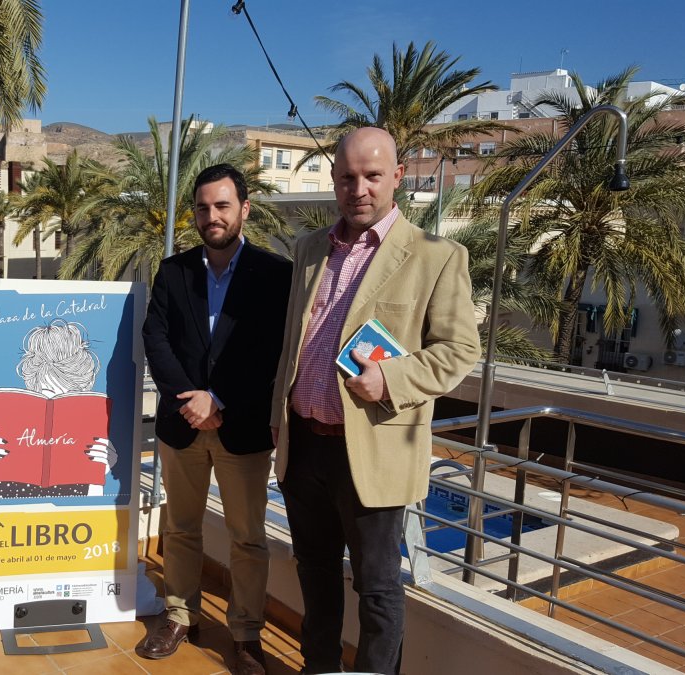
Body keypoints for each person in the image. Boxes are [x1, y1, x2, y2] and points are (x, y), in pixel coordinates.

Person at [270, 127, 481, 675]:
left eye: (372, 176)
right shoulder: (309, 248)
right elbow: (293, 341)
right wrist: (277, 419)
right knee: (314, 572)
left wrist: (390, 380)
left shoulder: (436, 256)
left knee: (378, 587)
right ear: (334, 179)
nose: (358, 189)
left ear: (398, 177)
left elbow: (460, 350)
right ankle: (318, 668)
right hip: (304, 446)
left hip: (371, 450)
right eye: (347, 177)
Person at [139, 164, 292, 675]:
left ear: (244, 208)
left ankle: (246, 635)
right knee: (181, 527)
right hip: (182, 425)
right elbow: (156, 338)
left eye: (222, 206)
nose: (212, 216)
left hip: (242, 428)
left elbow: (272, 353)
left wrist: (219, 399)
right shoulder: (174, 271)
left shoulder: (275, 274)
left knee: (248, 538)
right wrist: (191, 400)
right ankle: (180, 615)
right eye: (203, 208)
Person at [0, 319, 116, 499]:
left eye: (70, 396)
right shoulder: (5, 441)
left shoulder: (90, 445)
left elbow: (92, 511)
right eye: (47, 393)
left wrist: (100, 472)